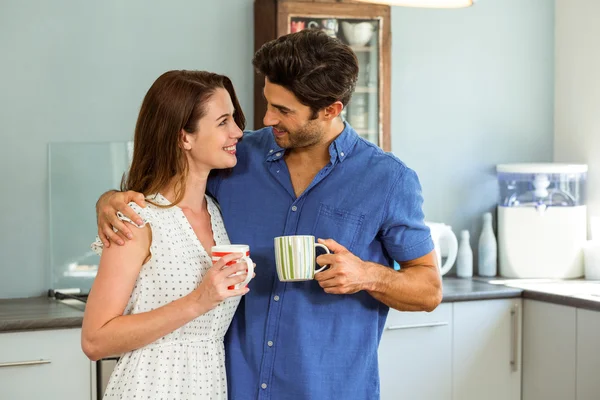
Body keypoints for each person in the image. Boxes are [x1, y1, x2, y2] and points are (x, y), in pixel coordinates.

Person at [96, 30, 442, 400]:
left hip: (329, 391)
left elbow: (428, 290)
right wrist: (111, 198)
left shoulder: (387, 179)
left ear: (331, 109)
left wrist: (368, 275)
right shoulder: (237, 158)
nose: (266, 118)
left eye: (284, 110)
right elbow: (169, 189)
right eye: (268, 102)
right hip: (229, 389)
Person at [82, 70, 253, 399]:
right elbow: (94, 340)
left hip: (208, 387)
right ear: (184, 137)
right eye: (223, 122)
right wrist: (199, 300)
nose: (238, 131)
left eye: (234, 119)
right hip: (149, 388)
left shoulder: (218, 213)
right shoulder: (138, 219)